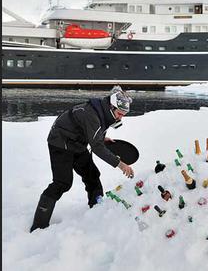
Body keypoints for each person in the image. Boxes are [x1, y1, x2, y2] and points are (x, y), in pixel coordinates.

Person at [30, 86, 134, 233]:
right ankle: (38, 225)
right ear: (112, 106)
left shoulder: (103, 111)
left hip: (77, 143)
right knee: (62, 183)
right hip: (60, 142)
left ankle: (96, 211)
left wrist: (102, 138)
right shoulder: (93, 114)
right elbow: (97, 147)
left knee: (92, 175)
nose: (120, 117)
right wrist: (120, 164)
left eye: (123, 115)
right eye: (119, 113)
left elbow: (92, 132)